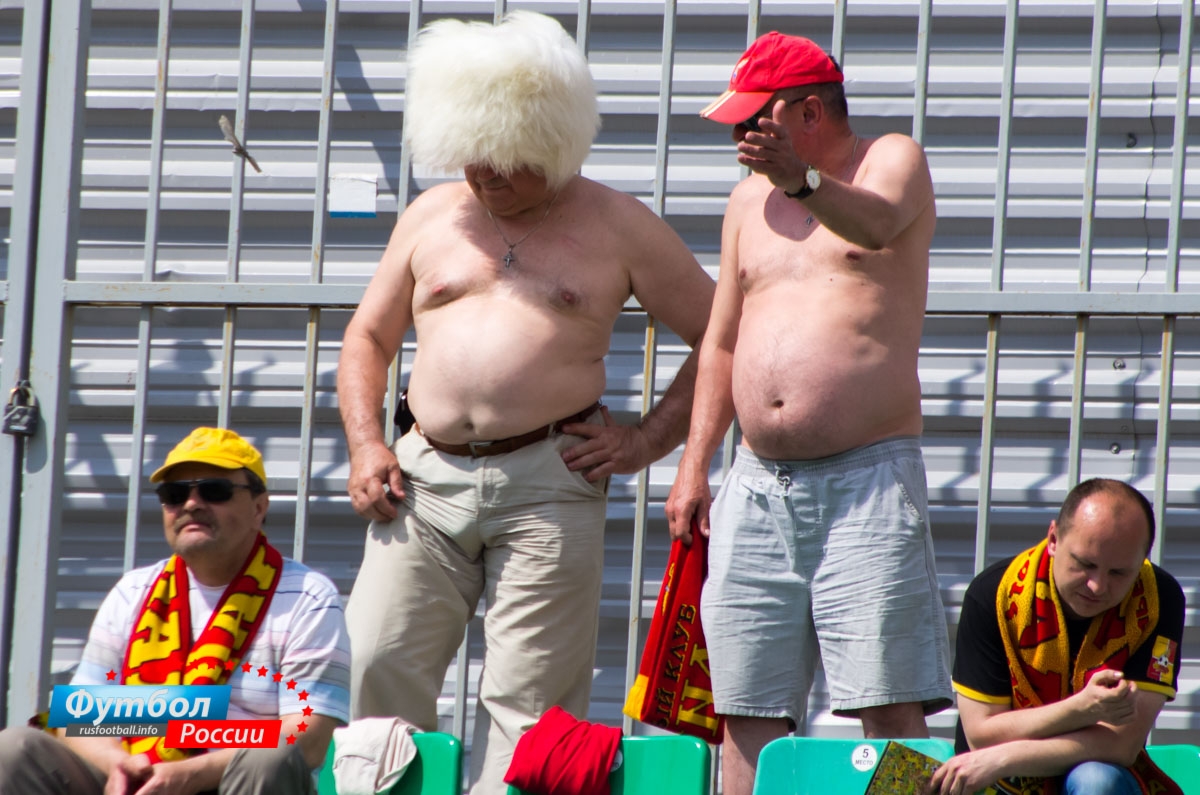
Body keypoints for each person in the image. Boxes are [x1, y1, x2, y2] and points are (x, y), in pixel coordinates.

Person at [336, 11, 714, 795]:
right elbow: (367, 336)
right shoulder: (431, 215)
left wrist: (646, 441)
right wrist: (368, 445)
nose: (486, 175)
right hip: (421, 478)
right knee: (376, 662)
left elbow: (721, 336)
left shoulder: (620, 225)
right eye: (472, 155)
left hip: (550, 483)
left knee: (531, 707)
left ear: (554, 141)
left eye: (507, 159)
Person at [664, 30, 952, 795]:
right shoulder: (744, 202)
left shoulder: (891, 159)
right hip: (756, 484)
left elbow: (879, 224)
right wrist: (694, 465)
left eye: (752, 118)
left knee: (888, 701)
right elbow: (722, 341)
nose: (739, 135)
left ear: (810, 112)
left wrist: (802, 183)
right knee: (745, 707)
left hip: (867, 478)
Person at [0, 427, 351, 795]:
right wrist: (119, 765)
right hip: (136, 776)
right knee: (14, 749)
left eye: (214, 490)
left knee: (270, 755)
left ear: (258, 508)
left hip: (235, 781)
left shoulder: (307, 597)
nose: (191, 504)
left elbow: (309, 734)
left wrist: (191, 773)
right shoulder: (133, 592)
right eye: (175, 494)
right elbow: (80, 719)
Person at [929, 479, 1185, 795]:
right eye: (1085, 564)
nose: (1097, 586)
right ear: (1053, 539)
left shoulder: (1159, 598)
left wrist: (1005, 757)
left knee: (1096, 781)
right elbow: (982, 735)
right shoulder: (993, 596)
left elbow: (1122, 745)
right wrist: (1082, 709)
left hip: (1081, 769)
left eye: (1118, 573)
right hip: (998, 782)